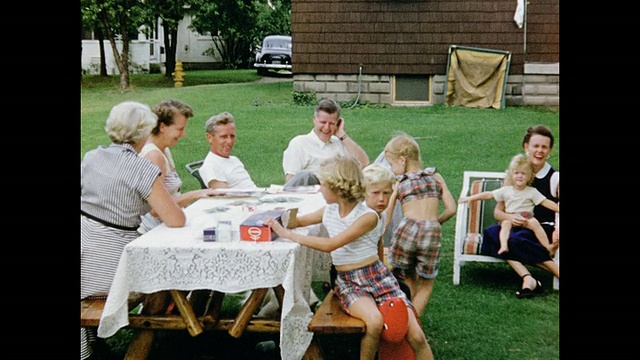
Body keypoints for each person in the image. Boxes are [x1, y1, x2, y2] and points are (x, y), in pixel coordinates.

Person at [265, 155, 432, 360]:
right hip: (350, 282)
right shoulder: (329, 210)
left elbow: (330, 245)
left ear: (337, 187)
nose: (320, 189)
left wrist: (287, 234)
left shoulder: (367, 216)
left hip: (377, 277)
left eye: (323, 185)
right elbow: (297, 221)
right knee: (374, 321)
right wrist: (278, 214)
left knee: (416, 336)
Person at [80, 101, 186, 360]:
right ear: (143, 132)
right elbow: (174, 219)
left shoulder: (92, 156)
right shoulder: (142, 169)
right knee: (169, 273)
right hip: (110, 265)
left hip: (84, 250)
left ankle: (94, 343)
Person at [480, 125, 560, 299]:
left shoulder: (554, 177)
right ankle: (528, 277)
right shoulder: (515, 174)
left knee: (514, 239)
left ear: (550, 151)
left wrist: (558, 231)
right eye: (535, 146)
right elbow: (498, 213)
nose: (539, 151)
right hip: (517, 226)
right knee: (491, 233)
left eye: (544, 147)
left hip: (542, 229)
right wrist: (510, 217)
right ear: (526, 147)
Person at [383, 132, 456, 316]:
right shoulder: (436, 177)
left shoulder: (400, 183)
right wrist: (434, 223)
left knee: (407, 276)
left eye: (391, 164)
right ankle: (412, 324)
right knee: (426, 284)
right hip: (431, 232)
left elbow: (387, 215)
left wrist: (380, 237)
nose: (392, 169)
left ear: (401, 160)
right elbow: (451, 209)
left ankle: (405, 323)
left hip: (407, 230)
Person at [138, 99, 217, 234]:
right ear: (162, 127)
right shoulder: (153, 156)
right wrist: (196, 194)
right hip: (155, 230)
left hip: (170, 222)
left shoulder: (164, 150)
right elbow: (155, 209)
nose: (183, 134)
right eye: (180, 129)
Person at [458, 153, 559, 256]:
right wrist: (470, 198)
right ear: (512, 175)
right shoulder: (506, 190)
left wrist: (558, 209)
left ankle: (548, 247)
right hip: (510, 217)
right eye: (516, 173)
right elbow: (489, 195)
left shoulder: (532, 191)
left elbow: (545, 202)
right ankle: (504, 246)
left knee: (534, 223)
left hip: (526, 218)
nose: (519, 176)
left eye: (523, 173)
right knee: (505, 224)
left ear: (529, 176)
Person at [282, 98, 369, 187]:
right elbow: (291, 180)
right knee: (306, 175)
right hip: (312, 193)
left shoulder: (339, 143)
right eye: (323, 122)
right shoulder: (300, 143)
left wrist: (342, 135)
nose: (326, 128)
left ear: (337, 124)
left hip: (339, 192)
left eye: (331, 123)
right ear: (314, 119)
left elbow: (364, 164)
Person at [199, 111, 258, 189]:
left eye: (232, 136)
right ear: (210, 137)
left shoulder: (234, 160)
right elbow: (224, 197)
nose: (229, 141)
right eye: (224, 137)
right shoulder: (211, 166)